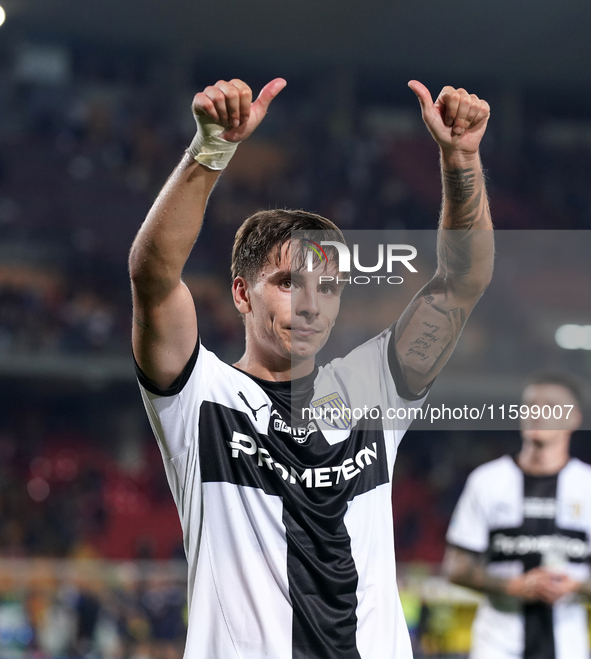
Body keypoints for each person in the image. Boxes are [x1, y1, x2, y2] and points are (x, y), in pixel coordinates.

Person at [129, 76, 493, 658]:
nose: (310, 303)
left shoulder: (375, 388)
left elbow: (462, 283)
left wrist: (462, 160)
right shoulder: (201, 397)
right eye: (287, 282)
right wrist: (213, 148)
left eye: (328, 286)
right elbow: (153, 275)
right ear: (242, 295)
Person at [445, 371, 591, 659]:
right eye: (530, 404)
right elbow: (455, 568)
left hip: (567, 646)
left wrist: (575, 586)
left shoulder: (587, 485)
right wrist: (511, 586)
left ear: (574, 418)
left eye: (550, 405)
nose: (537, 412)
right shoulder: (486, 481)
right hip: (496, 646)